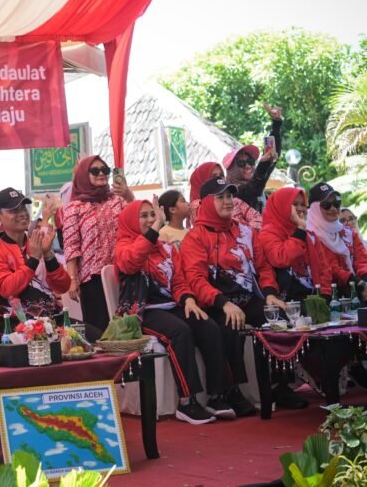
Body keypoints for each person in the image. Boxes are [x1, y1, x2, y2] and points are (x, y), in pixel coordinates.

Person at [181, 177, 307, 411]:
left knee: (280, 316)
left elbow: (264, 268)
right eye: (221, 197)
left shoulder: (246, 231)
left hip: (248, 299)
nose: (228, 201)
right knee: (230, 325)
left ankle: (281, 385)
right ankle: (228, 391)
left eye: (230, 196)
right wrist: (223, 303)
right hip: (215, 304)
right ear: (207, 202)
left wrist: (270, 293)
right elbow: (195, 279)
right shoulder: (195, 237)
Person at [115, 199, 241, 424]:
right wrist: (155, 230)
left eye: (152, 215)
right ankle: (187, 402)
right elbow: (132, 262)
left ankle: (217, 395)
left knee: (208, 325)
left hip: (172, 306)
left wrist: (189, 300)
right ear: (130, 221)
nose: (150, 220)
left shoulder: (166, 248)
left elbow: (179, 282)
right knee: (180, 331)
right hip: (142, 312)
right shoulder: (124, 247)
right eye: (143, 216)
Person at [0, 188, 101, 342]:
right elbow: (8, 289)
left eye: (23, 208)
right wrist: (34, 259)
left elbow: (63, 286)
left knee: (98, 339)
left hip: (53, 321)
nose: (22, 213)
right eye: (14, 210)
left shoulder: (36, 243)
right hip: (18, 328)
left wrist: (48, 255)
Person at [63, 155, 133, 332]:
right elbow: (71, 244)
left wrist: (128, 194)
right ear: (84, 175)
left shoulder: (117, 200)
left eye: (105, 170)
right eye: (95, 171)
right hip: (91, 278)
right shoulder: (75, 207)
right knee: (99, 330)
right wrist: (72, 279)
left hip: (121, 274)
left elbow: (136, 221)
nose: (101, 173)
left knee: (126, 328)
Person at [259, 187, 333, 300]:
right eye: (294, 204)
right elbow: (281, 259)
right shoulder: (268, 233)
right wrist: (300, 230)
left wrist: (325, 295)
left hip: (314, 296)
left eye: (303, 204)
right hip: (288, 301)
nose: (300, 209)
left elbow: (324, 269)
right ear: (281, 205)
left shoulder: (310, 235)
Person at [305, 183, 367, 299]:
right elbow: (330, 267)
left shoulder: (348, 233)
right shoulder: (310, 236)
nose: (333, 208)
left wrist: (364, 281)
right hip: (327, 295)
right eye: (326, 205)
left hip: (355, 289)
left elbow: (363, 260)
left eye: (336, 203)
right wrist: (358, 283)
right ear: (315, 209)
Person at [222, 103, 283, 213]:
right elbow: (253, 189)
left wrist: (276, 124)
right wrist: (263, 164)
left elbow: (273, 157)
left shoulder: (258, 187)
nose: (248, 166)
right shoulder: (231, 193)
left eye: (250, 161)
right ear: (231, 169)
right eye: (241, 163)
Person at [188, 162, 262, 229]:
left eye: (221, 175)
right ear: (203, 179)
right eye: (214, 176)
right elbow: (211, 228)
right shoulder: (198, 206)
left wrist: (244, 232)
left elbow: (259, 218)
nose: (218, 179)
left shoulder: (234, 200)